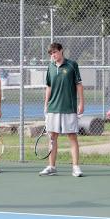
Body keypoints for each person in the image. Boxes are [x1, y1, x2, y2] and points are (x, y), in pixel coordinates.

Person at [39, 43, 84, 177]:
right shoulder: (50, 67)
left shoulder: (72, 65)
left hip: (69, 108)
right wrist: (46, 104)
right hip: (53, 108)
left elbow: (79, 85)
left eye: (55, 52)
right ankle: (51, 166)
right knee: (52, 138)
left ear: (61, 51)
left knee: (72, 137)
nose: (53, 55)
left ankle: (76, 167)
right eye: (51, 53)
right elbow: (49, 86)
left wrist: (81, 102)